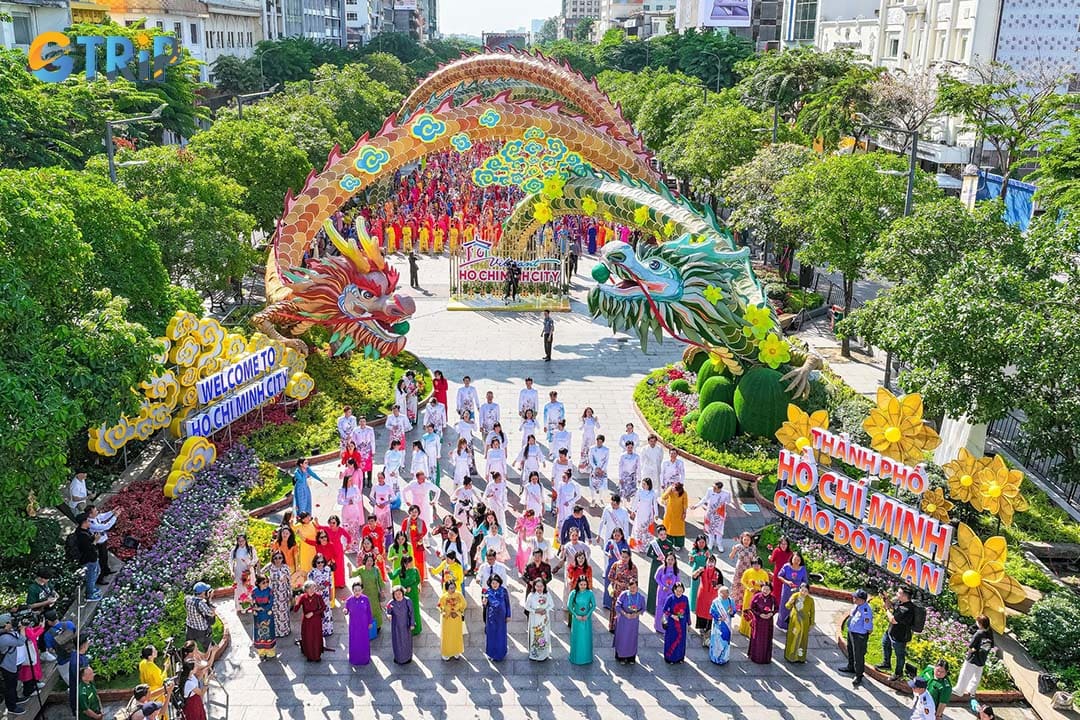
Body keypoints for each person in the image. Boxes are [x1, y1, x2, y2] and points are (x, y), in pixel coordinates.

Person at [878, 587, 917, 681]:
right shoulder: (900, 602)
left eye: (899, 593)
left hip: (900, 636)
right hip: (891, 632)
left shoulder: (906, 609)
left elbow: (893, 620)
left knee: (899, 656)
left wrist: (887, 610)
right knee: (885, 644)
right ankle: (886, 663)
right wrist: (885, 597)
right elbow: (891, 605)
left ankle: (898, 673)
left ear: (904, 596)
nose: (896, 594)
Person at [839, 589, 875, 687]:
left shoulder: (866, 611)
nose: (853, 599)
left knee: (858, 655)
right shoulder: (856, 606)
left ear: (862, 600)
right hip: (852, 632)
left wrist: (863, 636)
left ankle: (859, 675)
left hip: (859, 636)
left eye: (855, 598)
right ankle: (850, 667)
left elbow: (868, 627)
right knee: (850, 650)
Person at [956, 615, 995, 697]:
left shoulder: (979, 633)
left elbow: (971, 646)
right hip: (982, 659)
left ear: (980, 624)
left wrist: (970, 651)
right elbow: (991, 645)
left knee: (965, 674)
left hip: (973, 658)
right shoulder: (990, 632)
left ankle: (959, 690)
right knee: (976, 677)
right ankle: (972, 691)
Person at [613, 578, 646, 664]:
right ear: (628, 587)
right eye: (631, 587)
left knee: (632, 638)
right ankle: (621, 656)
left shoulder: (641, 597)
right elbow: (617, 605)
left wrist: (637, 614)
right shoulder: (624, 594)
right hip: (623, 620)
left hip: (633, 622)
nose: (632, 589)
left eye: (634, 587)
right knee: (623, 638)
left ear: (637, 587)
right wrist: (625, 614)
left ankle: (631, 657)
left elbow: (643, 608)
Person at [293, 581, 326, 662]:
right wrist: (296, 602)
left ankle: (317, 656)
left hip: (316, 621)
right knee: (308, 638)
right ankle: (309, 655)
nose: (312, 590)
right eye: (309, 588)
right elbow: (295, 610)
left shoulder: (318, 596)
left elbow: (323, 607)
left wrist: (313, 613)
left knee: (316, 637)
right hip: (307, 622)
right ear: (306, 589)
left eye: (313, 588)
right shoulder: (303, 597)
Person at [644, 526, 675, 613]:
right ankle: (651, 608)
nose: (663, 536)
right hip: (656, 565)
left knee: (665, 585)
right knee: (654, 585)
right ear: (658, 535)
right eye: (661, 534)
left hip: (666, 566)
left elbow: (671, 554)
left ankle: (663, 607)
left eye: (664, 534)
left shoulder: (669, 543)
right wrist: (656, 558)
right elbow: (648, 554)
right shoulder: (654, 543)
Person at [524, 577, 555, 661]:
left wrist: (545, 610)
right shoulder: (531, 595)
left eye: (541, 586)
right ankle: (534, 654)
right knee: (535, 634)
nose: (539, 588)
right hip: (534, 619)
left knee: (544, 634)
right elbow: (526, 606)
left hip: (544, 619)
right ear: (534, 586)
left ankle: (544, 654)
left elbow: (552, 605)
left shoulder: (547, 595)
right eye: (537, 586)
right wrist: (535, 611)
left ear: (544, 586)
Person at [352, 553, 385, 632]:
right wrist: (349, 567)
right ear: (364, 561)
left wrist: (382, 591)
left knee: (376, 610)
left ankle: (377, 626)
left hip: (374, 594)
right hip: (365, 594)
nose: (369, 562)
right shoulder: (361, 569)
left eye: (371, 561)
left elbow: (380, 581)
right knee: (366, 610)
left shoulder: (376, 570)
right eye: (368, 561)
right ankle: (366, 625)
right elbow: (352, 575)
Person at [738, 558, 770, 637]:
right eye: (754, 564)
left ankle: (753, 631)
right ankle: (744, 629)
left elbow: (767, 583)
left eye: (758, 564)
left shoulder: (764, 573)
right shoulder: (748, 572)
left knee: (756, 611)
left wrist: (762, 586)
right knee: (747, 610)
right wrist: (749, 588)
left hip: (759, 595)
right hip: (749, 594)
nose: (756, 566)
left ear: (761, 565)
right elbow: (743, 581)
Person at [567, 576, 596, 665]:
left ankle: (587, 658)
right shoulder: (573, 593)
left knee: (586, 638)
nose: (583, 586)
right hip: (577, 620)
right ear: (578, 584)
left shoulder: (590, 593)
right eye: (581, 584)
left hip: (587, 619)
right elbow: (569, 606)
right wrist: (576, 615)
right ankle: (575, 657)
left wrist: (588, 615)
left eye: (584, 584)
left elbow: (593, 605)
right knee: (577, 637)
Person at [776, 552, 808, 631]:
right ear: (791, 559)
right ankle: (782, 625)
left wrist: (802, 586)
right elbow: (779, 575)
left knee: (796, 608)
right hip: (787, 590)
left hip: (798, 591)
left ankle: (793, 624)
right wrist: (787, 582)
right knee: (785, 606)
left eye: (798, 560)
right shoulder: (786, 566)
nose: (796, 561)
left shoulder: (803, 569)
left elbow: (805, 581)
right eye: (795, 559)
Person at [784, 583, 815, 663]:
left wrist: (812, 623)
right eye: (802, 590)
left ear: (808, 591)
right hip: (794, 621)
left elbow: (812, 612)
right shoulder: (795, 595)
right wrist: (790, 602)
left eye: (806, 591)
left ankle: (800, 657)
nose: (803, 592)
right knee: (793, 637)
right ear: (799, 589)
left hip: (804, 622)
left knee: (802, 639)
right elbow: (787, 606)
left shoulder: (810, 600)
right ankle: (790, 656)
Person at [483, 574, 512, 661]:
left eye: (496, 583)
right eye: (493, 583)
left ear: (499, 583)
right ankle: (491, 653)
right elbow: (485, 605)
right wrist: (484, 603)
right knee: (491, 635)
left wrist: (508, 615)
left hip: (501, 618)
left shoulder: (503, 591)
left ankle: (501, 653)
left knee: (501, 635)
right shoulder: (487, 592)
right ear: (490, 583)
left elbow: (507, 604)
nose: (495, 585)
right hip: (491, 617)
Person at [87, 504, 119, 582]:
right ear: (90, 514)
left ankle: (106, 570)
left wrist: (112, 512)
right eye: (95, 511)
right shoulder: (91, 524)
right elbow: (106, 526)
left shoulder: (95, 517)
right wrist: (115, 516)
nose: (97, 511)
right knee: (102, 559)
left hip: (103, 540)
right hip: (99, 543)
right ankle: (100, 577)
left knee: (105, 557)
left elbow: (103, 516)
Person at [693, 554, 722, 639]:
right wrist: (697, 571)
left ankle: (709, 629)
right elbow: (694, 577)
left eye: (713, 561)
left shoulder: (718, 572)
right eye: (709, 561)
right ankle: (701, 628)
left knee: (711, 612)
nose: (711, 563)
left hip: (713, 595)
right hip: (702, 594)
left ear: (715, 563)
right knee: (701, 610)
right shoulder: (702, 570)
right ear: (706, 562)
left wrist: (718, 586)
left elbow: (721, 583)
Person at [344, 582, 373, 666]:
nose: (357, 592)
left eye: (359, 590)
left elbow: (369, 611)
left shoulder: (365, 599)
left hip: (364, 624)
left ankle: (365, 658)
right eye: (355, 590)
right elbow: (346, 609)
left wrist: (370, 622)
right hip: (354, 625)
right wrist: (345, 611)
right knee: (354, 641)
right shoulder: (349, 600)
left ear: (362, 590)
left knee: (364, 641)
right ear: (352, 590)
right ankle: (354, 658)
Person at [728, 531, 757, 616]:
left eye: (748, 540)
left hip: (748, 569)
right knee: (737, 587)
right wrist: (733, 550)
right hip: (740, 569)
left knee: (746, 587)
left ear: (751, 540)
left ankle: (744, 604)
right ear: (742, 539)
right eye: (745, 539)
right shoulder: (739, 547)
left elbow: (755, 558)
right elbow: (731, 557)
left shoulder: (753, 547)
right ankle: (735, 605)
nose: (746, 541)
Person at [73, 513, 101, 601]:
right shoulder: (82, 535)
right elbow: (89, 548)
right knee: (91, 577)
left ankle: (92, 588)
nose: (90, 522)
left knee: (97, 572)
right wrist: (95, 540)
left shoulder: (84, 531)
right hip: (88, 560)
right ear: (84, 522)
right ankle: (89, 595)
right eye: (88, 521)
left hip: (92, 558)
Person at [264, 551, 293, 637]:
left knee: (284, 612)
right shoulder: (270, 566)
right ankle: (276, 632)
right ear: (273, 558)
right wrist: (267, 580)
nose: (278, 560)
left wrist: (290, 592)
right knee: (274, 612)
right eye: (275, 558)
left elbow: (289, 581)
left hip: (283, 593)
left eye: (280, 558)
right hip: (273, 593)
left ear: (283, 558)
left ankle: (285, 631)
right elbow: (261, 573)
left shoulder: (285, 567)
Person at [747, 583, 777, 664]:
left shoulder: (773, 598)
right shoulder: (756, 596)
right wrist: (759, 614)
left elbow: (776, 608)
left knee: (767, 638)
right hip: (758, 621)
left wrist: (771, 613)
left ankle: (765, 658)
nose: (765, 591)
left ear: (771, 591)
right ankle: (755, 656)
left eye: (767, 589)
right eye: (764, 589)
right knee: (757, 638)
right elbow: (752, 608)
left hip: (768, 622)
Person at [437, 580, 466, 660]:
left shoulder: (459, 595)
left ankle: (457, 651)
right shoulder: (443, 597)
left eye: (454, 587)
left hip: (456, 618)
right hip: (447, 619)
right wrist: (443, 611)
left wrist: (459, 611)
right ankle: (446, 652)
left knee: (457, 635)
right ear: (447, 589)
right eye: (451, 588)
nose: (453, 590)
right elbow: (439, 606)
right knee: (447, 636)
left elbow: (464, 604)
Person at [661, 582, 691, 663]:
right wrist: (672, 615)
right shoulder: (670, 598)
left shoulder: (685, 598)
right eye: (677, 590)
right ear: (674, 590)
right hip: (672, 624)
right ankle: (669, 658)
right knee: (671, 640)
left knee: (681, 641)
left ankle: (680, 658)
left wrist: (689, 623)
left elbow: (687, 611)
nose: (679, 593)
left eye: (681, 591)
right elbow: (664, 610)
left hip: (682, 623)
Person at [601, 527, 629, 609]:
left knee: (619, 585)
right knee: (608, 584)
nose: (616, 537)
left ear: (621, 536)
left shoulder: (624, 543)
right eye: (615, 535)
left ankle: (618, 604)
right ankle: (608, 603)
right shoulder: (610, 542)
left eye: (618, 535)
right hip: (611, 566)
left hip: (620, 567)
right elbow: (605, 550)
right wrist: (608, 554)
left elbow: (628, 553)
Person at [386, 586, 415, 664]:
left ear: (403, 593)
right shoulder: (391, 603)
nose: (398, 596)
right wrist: (388, 615)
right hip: (396, 626)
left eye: (399, 593)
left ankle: (407, 657)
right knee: (397, 642)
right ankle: (398, 658)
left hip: (406, 625)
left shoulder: (408, 601)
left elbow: (412, 613)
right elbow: (388, 610)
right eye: (395, 594)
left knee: (406, 641)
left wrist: (412, 624)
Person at [307, 554, 335, 635]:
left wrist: (331, 594)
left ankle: (328, 630)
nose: (320, 564)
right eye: (318, 562)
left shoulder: (328, 570)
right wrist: (317, 588)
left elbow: (330, 583)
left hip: (326, 595)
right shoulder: (312, 573)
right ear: (315, 562)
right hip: (316, 596)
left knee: (326, 612)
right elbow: (309, 586)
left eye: (322, 562)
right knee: (318, 613)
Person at [708, 587, 737, 665]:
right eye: (722, 593)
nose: (724, 595)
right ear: (719, 593)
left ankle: (724, 657)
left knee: (725, 641)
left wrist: (731, 612)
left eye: (726, 593)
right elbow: (711, 611)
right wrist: (718, 617)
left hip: (727, 625)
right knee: (716, 641)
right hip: (717, 626)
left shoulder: (731, 601)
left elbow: (734, 610)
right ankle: (714, 657)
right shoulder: (716, 602)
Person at [184, 583, 216, 650]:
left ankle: (190, 655)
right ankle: (211, 654)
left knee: (189, 647)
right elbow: (211, 613)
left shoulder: (187, 599)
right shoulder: (201, 603)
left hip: (190, 627)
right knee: (208, 646)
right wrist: (209, 599)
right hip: (201, 630)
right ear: (203, 593)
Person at [653, 553, 680, 633]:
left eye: (672, 560)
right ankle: (658, 626)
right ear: (665, 560)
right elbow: (656, 578)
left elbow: (678, 581)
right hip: (662, 592)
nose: (670, 561)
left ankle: (667, 626)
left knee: (669, 609)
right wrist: (662, 586)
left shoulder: (676, 570)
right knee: (660, 608)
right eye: (668, 559)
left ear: (675, 561)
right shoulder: (661, 568)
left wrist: (674, 589)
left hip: (671, 593)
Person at [631, 477, 657, 549]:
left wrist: (656, 514)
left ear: (648, 485)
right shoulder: (639, 491)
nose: (643, 485)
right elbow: (636, 501)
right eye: (642, 484)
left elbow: (655, 504)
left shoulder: (653, 493)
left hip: (648, 513)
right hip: (640, 512)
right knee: (638, 528)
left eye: (644, 484)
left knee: (646, 529)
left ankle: (646, 546)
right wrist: (633, 511)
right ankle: (637, 545)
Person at [230, 535, 256, 609]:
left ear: (245, 540)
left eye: (242, 541)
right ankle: (241, 607)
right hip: (239, 571)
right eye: (239, 541)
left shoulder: (250, 548)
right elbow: (231, 561)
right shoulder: (234, 550)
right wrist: (231, 571)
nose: (241, 543)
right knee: (240, 588)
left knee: (249, 587)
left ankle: (250, 606)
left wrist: (251, 564)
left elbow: (255, 558)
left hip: (249, 571)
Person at [660, 482, 688, 549]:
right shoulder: (670, 491)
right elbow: (663, 497)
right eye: (673, 489)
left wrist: (684, 513)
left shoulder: (684, 493)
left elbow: (685, 504)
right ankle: (668, 543)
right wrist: (669, 491)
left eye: (675, 490)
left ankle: (678, 544)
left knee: (678, 529)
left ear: (679, 490)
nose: (674, 491)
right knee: (669, 528)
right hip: (670, 513)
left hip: (679, 513)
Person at [350, 416, 376, 487]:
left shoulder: (370, 429)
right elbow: (353, 440)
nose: (362, 423)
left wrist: (373, 450)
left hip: (368, 450)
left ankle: (369, 480)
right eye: (361, 421)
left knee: (369, 465)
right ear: (359, 422)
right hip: (360, 451)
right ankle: (363, 480)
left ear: (366, 422)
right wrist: (354, 451)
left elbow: (372, 440)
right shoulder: (355, 430)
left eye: (364, 421)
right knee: (361, 465)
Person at [586, 435, 610, 504]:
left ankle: (601, 498)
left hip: (602, 470)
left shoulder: (606, 450)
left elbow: (606, 460)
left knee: (601, 484)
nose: (599, 443)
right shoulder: (592, 448)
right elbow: (590, 459)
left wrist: (602, 469)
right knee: (592, 484)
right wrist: (595, 467)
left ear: (603, 442)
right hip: (594, 470)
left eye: (600, 442)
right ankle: (593, 499)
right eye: (598, 441)